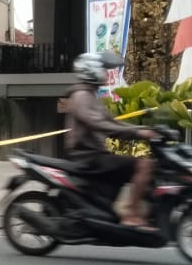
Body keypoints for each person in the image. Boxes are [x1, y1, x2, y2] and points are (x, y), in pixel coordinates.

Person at [64, 52, 160, 228]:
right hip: (89, 155)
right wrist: (138, 133)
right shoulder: (81, 96)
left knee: (149, 158)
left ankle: (136, 207)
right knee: (144, 163)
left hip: (98, 150)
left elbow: (112, 123)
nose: (107, 74)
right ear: (91, 71)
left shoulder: (91, 95)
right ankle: (131, 213)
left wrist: (141, 130)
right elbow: (99, 124)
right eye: (104, 70)